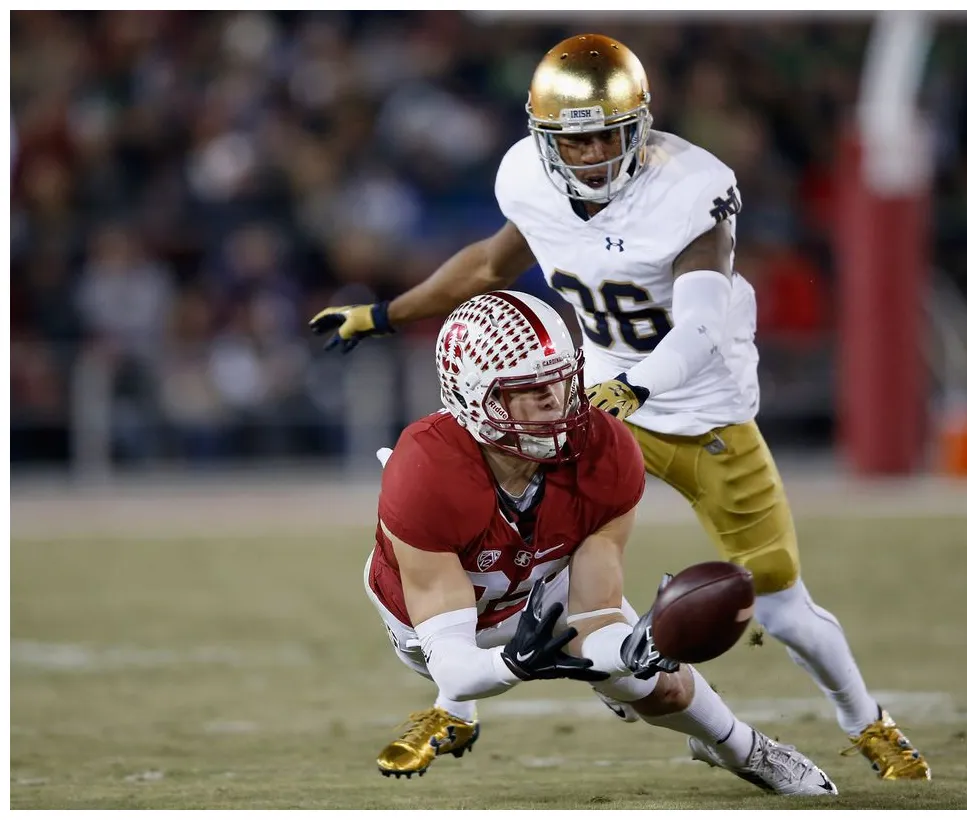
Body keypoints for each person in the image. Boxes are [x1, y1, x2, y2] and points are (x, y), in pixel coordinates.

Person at [314, 33, 928, 781]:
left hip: (698, 414)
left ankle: (869, 723)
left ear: (640, 126)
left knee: (779, 603)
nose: (593, 154)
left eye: (608, 134)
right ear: (542, 141)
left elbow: (701, 323)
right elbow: (483, 266)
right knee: (494, 538)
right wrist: (383, 314)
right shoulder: (530, 185)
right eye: (574, 141)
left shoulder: (690, 187)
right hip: (593, 401)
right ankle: (492, 694)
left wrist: (634, 387)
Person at [364, 289, 837, 796]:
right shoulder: (427, 472)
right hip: (434, 625)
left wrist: (632, 651)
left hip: (543, 586)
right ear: (474, 398)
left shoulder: (604, 448)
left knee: (660, 689)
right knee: (463, 687)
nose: (555, 398)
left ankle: (742, 748)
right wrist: (512, 664)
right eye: (530, 387)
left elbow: (595, 611)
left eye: (560, 378)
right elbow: (455, 667)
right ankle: (456, 716)